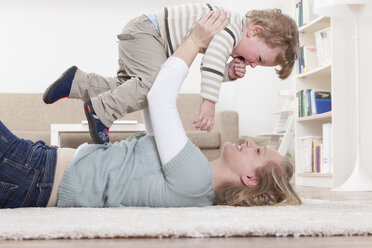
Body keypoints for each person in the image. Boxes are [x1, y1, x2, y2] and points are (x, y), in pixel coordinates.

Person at [0, 11, 301, 209]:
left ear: (250, 179)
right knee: (135, 85)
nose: (251, 142)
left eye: (258, 152)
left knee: (144, 86)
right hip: (36, 166)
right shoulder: (191, 175)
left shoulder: (195, 179)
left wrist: (195, 41)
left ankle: (95, 104)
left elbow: (160, 97)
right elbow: (152, 100)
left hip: (34, 175)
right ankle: (79, 83)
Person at [42, 3, 299, 144]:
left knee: (129, 87)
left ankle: (76, 83)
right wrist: (209, 104)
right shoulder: (230, 28)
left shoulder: (230, 29)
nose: (253, 64)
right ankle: (101, 112)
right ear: (255, 32)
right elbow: (209, 65)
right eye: (260, 58)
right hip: (148, 33)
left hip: (144, 33)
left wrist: (228, 73)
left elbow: (211, 62)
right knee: (153, 87)